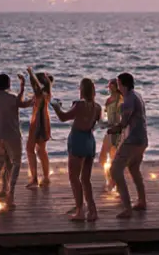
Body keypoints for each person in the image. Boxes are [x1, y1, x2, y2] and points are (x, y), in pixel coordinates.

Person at [54, 78, 100, 222]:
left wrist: (56, 106)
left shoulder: (80, 105)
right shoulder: (97, 107)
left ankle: (80, 210)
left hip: (78, 140)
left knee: (74, 177)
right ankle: (92, 210)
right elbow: (94, 125)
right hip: (89, 141)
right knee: (86, 179)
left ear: (82, 90)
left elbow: (63, 117)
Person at [107, 72, 148, 219]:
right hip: (142, 139)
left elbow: (123, 123)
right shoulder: (136, 95)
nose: (117, 86)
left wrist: (111, 129)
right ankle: (142, 201)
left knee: (115, 170)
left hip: (133, 140)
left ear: (122, 84)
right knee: (134, 168)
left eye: (118, 83)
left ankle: (127, 208)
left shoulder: (129, 99)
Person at [0, 73, 28, 208]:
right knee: (16, 163)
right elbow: (22, 103)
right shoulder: (12, 98)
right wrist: (24, 88)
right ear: (9, 84)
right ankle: (10, 194)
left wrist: (22, 89)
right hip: (12, 135)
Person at [24, 68, 53, 189]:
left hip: (38, 123)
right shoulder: (44, 94)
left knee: (32, 149)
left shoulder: (42, 94)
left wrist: (30, 74)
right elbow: (27, 103)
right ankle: (44, 177)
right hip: (42, 123)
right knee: (40, 150)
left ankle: (37, 178)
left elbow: (35, 84)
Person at [98, 79, 123, 187]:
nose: (108, 87)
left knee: (113, 157)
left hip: (118, 131)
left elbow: (122, 118)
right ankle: (110, 179)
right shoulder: (108, 100)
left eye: (110, 85)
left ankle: (113, 181)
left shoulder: (121, 100)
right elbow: (108, 118)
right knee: (103, 157)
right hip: (110, 129)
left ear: (115, 86)